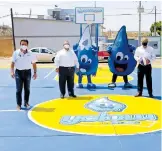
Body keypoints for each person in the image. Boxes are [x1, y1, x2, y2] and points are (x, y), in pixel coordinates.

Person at [11, 39, 37, 110]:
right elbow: (12, 63)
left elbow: (34, 63)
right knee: (18, 89)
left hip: (27, 72)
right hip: (18, 73)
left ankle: (26, 102)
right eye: (22, 44)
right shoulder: (16, 53)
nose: (23, 46)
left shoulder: (31, 53)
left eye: (25, 44)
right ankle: (18, 104)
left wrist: (35, 73)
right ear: (20, 45)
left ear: (27, 45)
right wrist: (12, 71)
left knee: (27, 89)